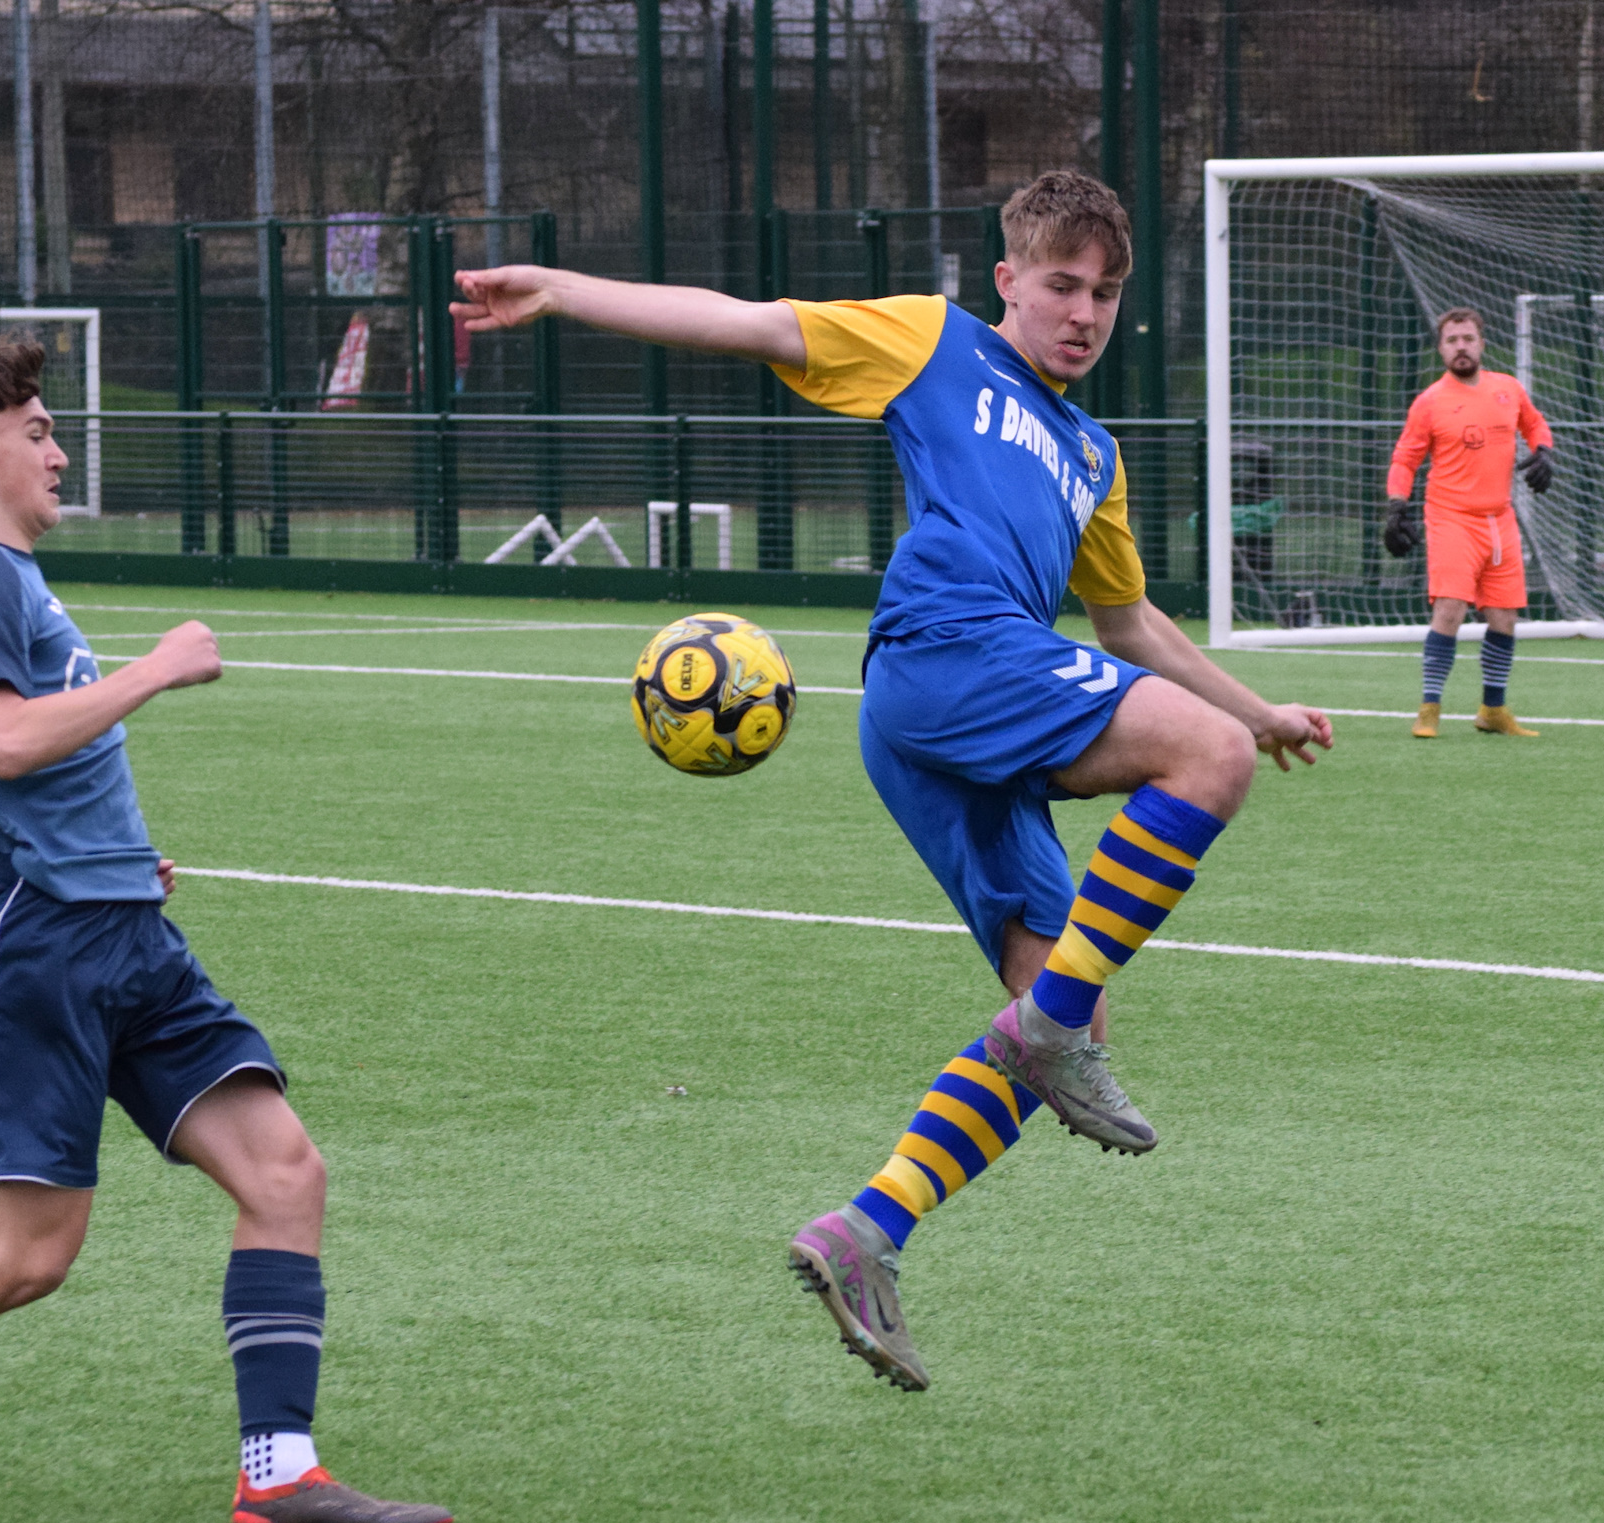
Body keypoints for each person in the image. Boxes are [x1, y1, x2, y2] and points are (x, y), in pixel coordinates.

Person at [453, 170, 1331, 1391]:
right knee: (1201, 768)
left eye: (1106, 293)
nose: (1083, 312)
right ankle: (1047, 1032)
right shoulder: (932, 340)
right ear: (1008, 280)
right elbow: (747, 322)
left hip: (959, 705)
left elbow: (1127, 621)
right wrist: (559, 289)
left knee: (1073, 1003)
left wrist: (1259, 706)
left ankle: (866, 1231)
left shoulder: (1092, 452)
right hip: (946, 654)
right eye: (1062, 284)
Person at [0, 334, 450, 1523]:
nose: (60, 450)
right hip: (41, 949)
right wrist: (155, 670)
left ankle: (278, 1470)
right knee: (28, 1256)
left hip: (124, 931)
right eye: (38, 430)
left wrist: (95, 855)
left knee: (284, 1173)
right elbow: (2, 745)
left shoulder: (5, 581)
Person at [1384, 307, 1557, 739]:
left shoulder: (1508, 389)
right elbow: (1405, 459)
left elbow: (1535, 423)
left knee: (1504, 617)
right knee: (1450, 608)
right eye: (1451, 341)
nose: (1460, 347)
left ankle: (1492, 710)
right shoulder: (1430, 402)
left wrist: (1544, 451)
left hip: (1500, 519)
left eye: (1467, 339)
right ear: (1440, 349)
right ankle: (1429, 708)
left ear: (1482, 344)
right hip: (1451, 518)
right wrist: (1396, 506)